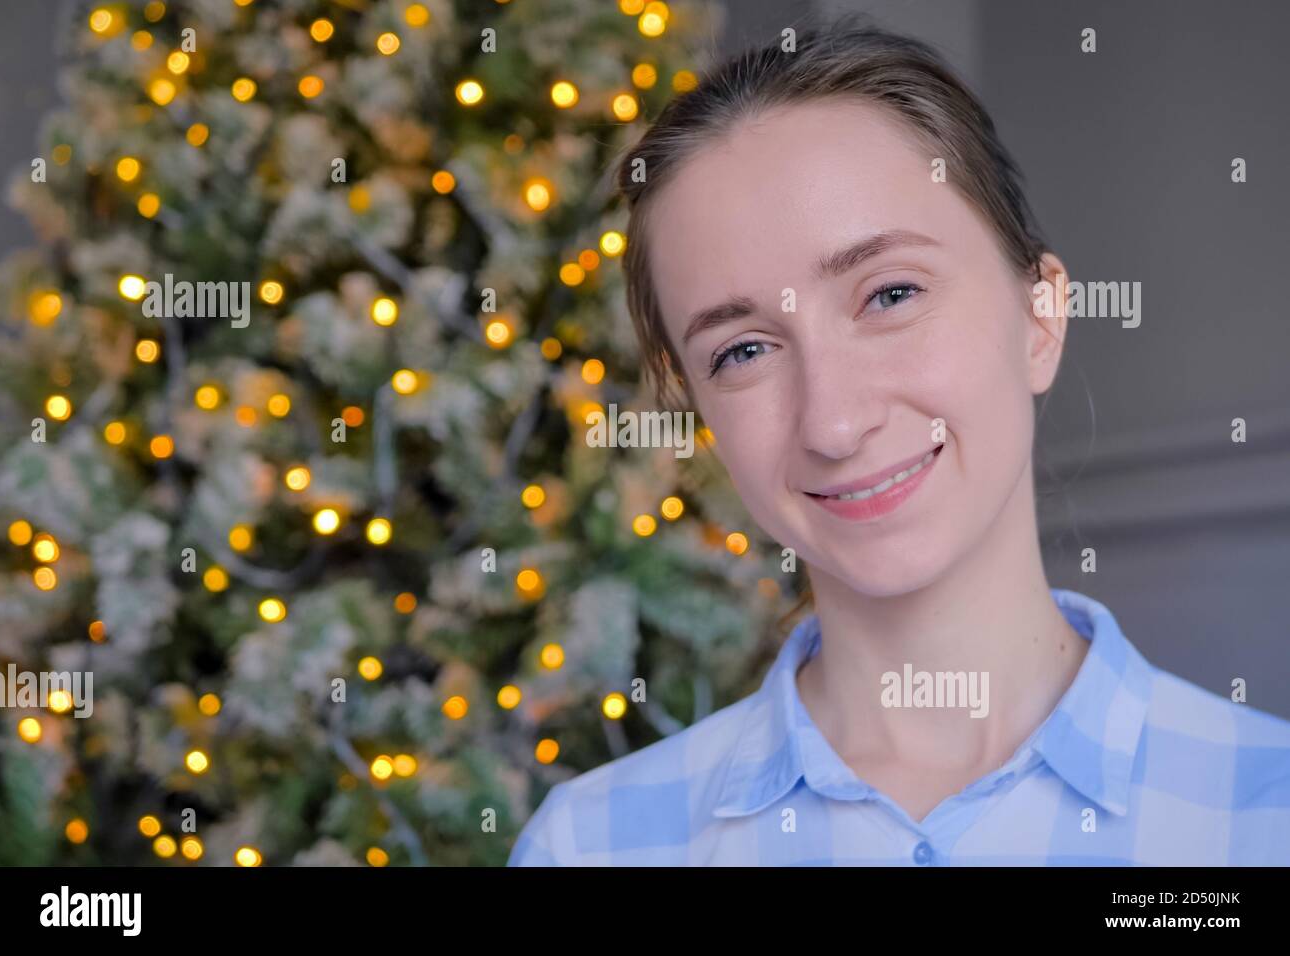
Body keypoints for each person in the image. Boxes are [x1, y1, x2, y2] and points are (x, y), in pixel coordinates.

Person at [508, 14, 1290, 866]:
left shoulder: (1263, 814)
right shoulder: (593, 846)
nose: (835, 424)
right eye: (742, 350)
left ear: (1040, 316)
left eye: (890, 295)